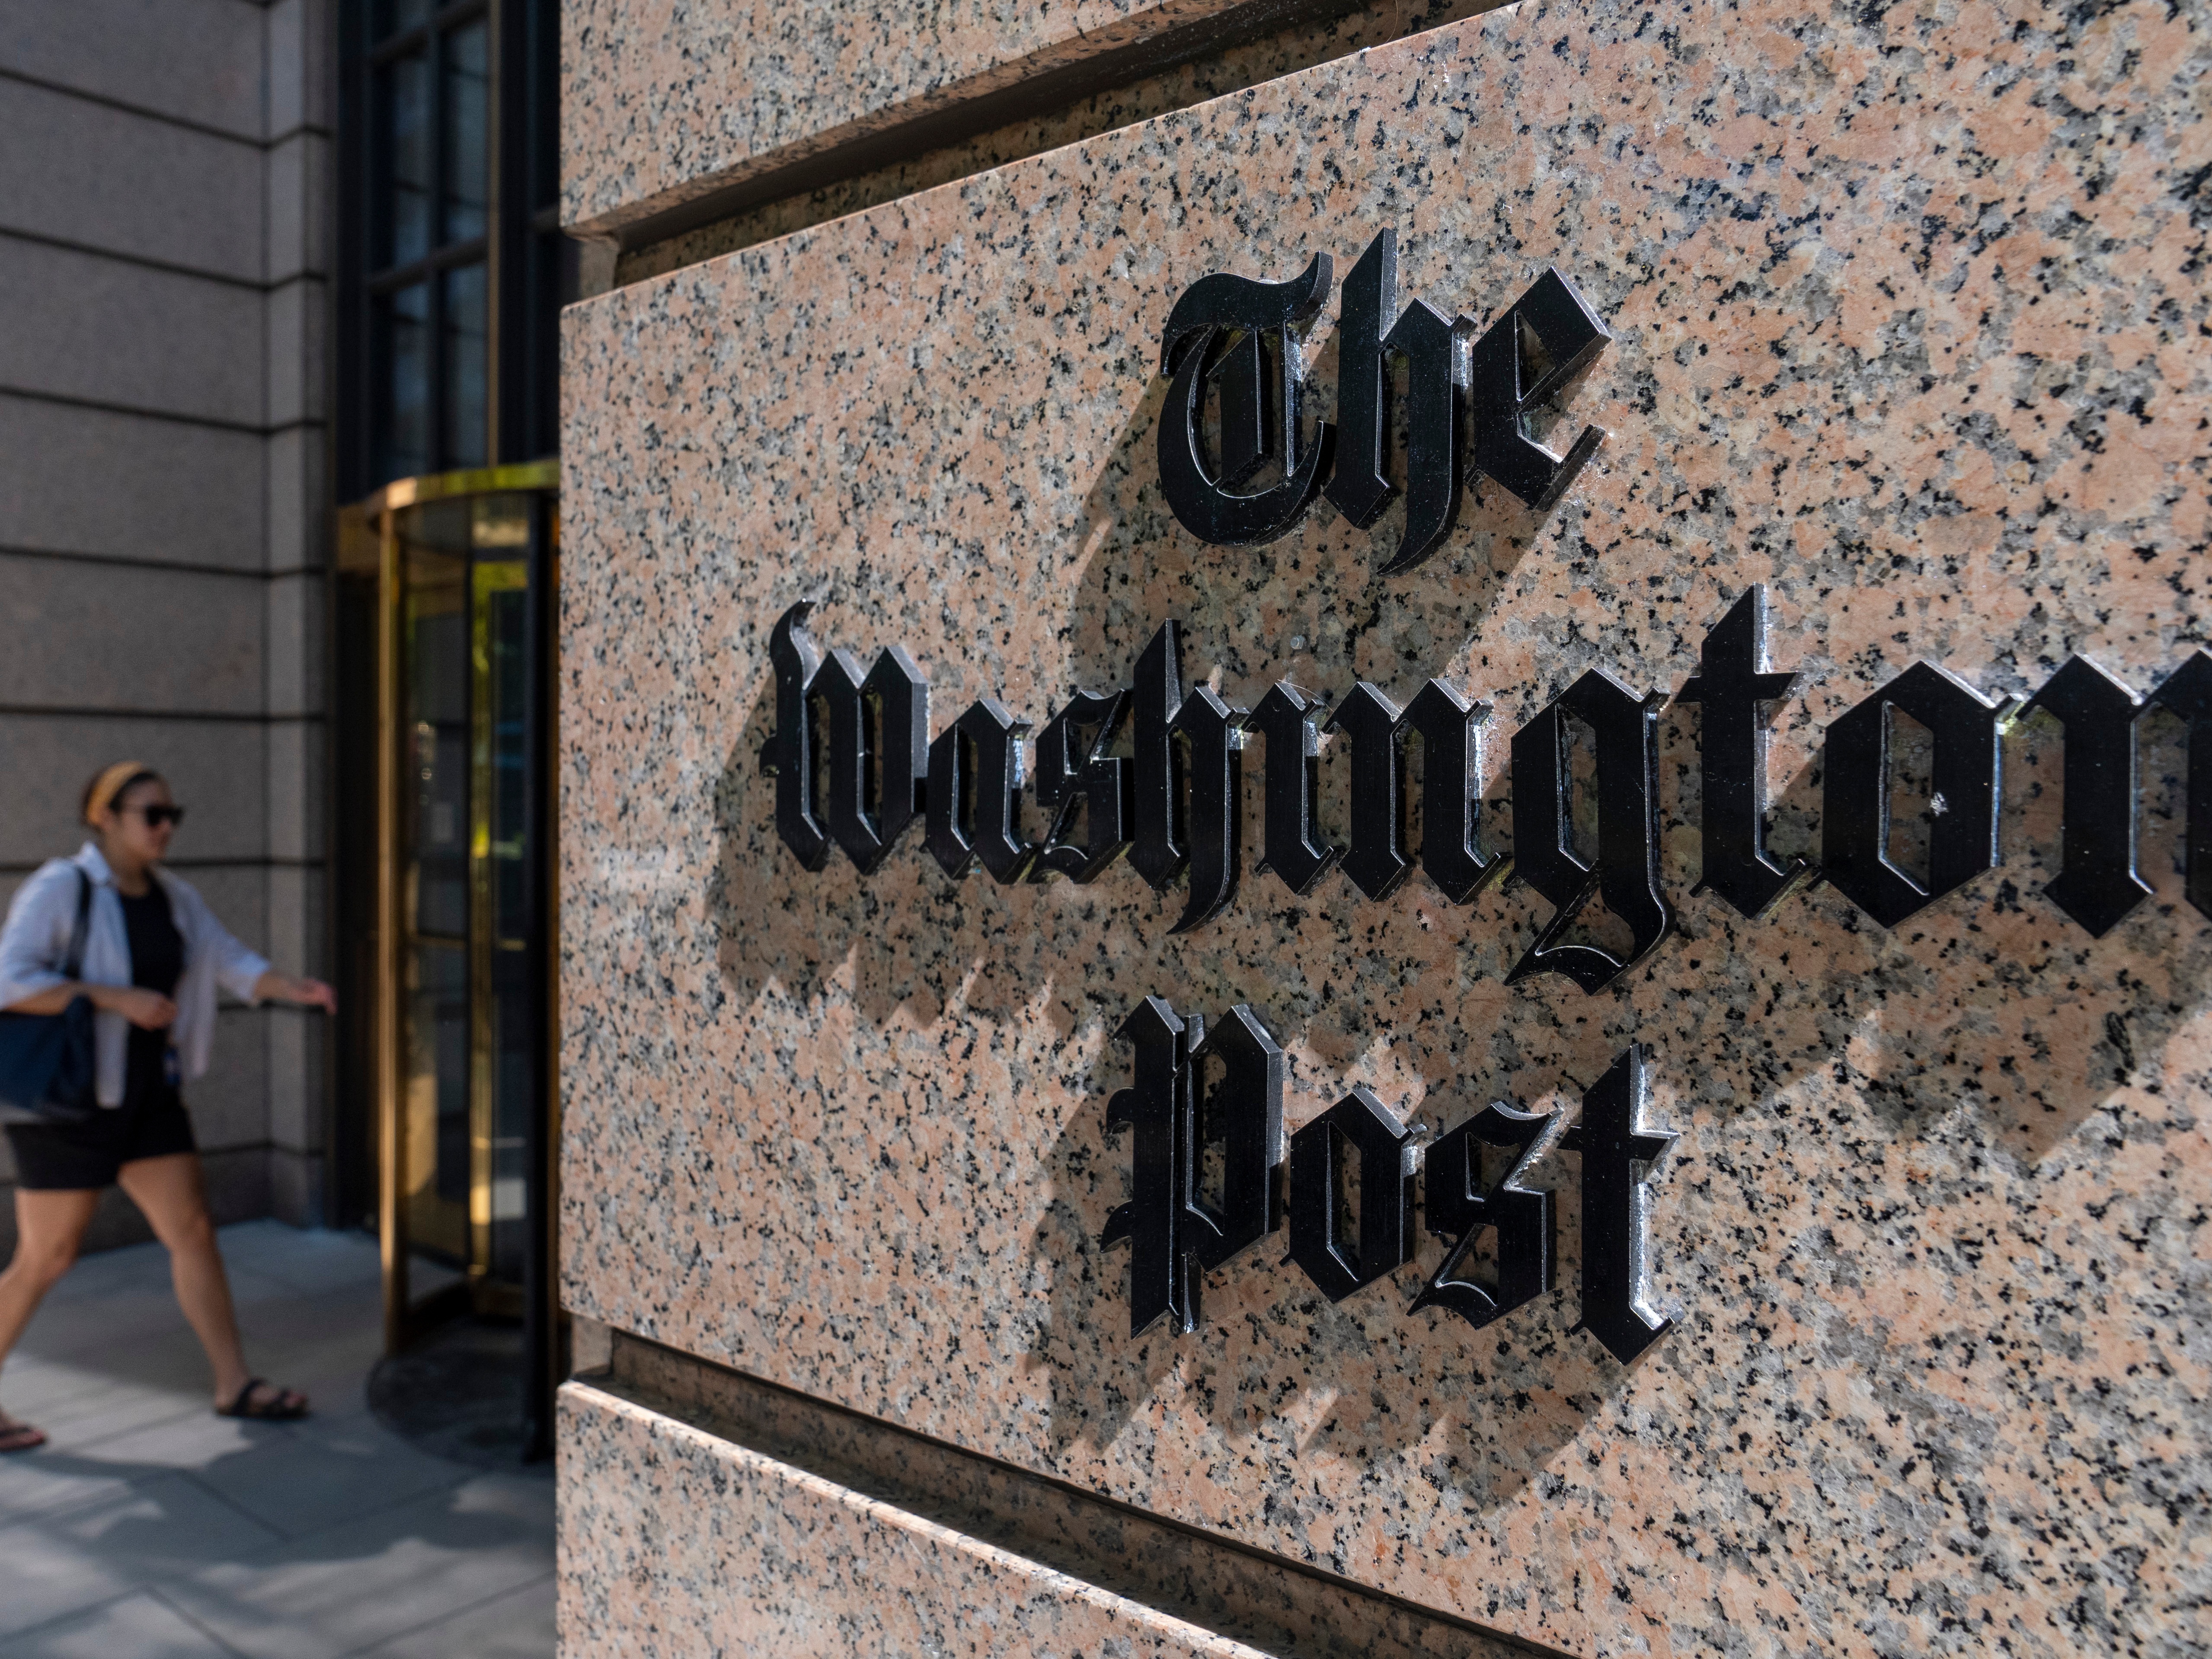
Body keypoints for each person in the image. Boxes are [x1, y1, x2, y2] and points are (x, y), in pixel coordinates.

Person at [0, 763, 336, 1452]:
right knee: (47, 1257)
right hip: (68, 1104)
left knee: (193, 1229)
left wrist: (291, 987)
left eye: (171, 815)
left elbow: (227, 958)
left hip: (149, 1097)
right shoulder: (63, 887)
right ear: (105, 816)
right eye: (151, 814)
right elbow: (10, 980)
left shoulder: (174, 897)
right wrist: (110, 996)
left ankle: (234, 1381)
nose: (165, 828)